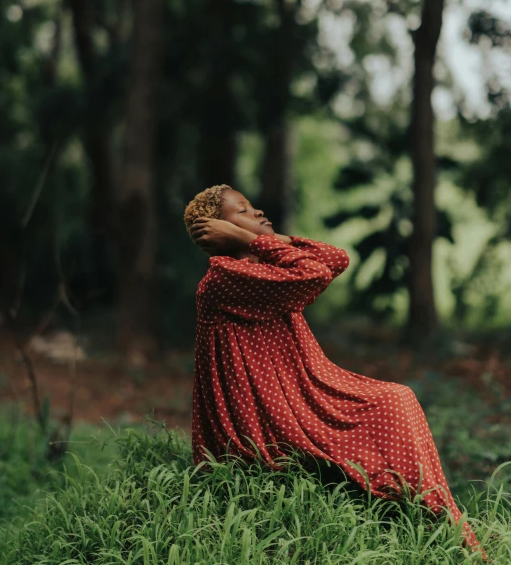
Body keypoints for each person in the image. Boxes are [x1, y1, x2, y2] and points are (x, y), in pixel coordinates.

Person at [184, 184, 486, 560]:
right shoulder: (226, 276)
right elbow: (314, 274)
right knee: (393, 402)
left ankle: (429, 513)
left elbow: (336, 258)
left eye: (253, 207)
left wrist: (260, 236)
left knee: (397, 399)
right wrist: (253, 240)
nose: (258, 212)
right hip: (272, 412)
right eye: (243, 211)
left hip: (297, 390)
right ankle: (437, 520)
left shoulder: (261, 264)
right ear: (219, 231)